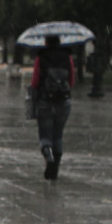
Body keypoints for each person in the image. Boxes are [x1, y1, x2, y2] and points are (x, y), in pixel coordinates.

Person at [31, 34, 76, 180]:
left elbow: (35, 82)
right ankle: (55, 164)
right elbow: (72, 81)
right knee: (58, 135)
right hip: (63, 101)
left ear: (46, 42)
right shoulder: (67, 57)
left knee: (45, 135)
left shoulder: (41, 57)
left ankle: (48, 157)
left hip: (45, 101)